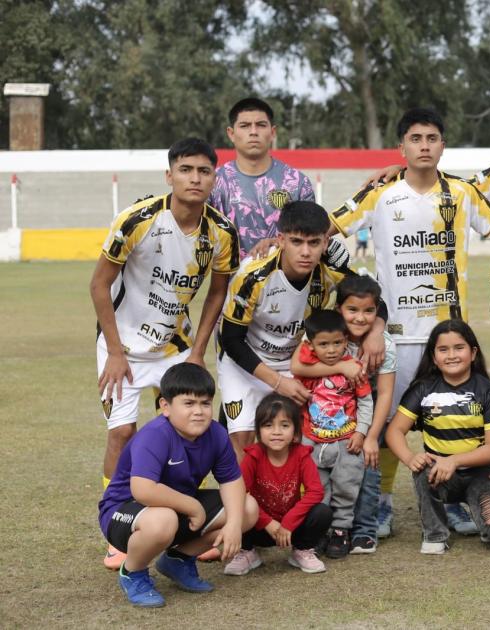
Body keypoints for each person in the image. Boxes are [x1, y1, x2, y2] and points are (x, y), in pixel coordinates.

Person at [90, 137, 239, 569]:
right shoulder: (137, 219)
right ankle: (119, 526)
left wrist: (195, 353)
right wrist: (116, 353)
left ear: (214, 177)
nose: (195, 178)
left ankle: (178, 519)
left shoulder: (220, 232)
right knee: (122, 434)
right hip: (120, 346)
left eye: (204, 171)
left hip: (174, 348)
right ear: (169, 175)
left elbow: (216, 295)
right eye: (186, 169)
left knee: (190, 427)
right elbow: (99, 285)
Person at [329, 107, 490, 437]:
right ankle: (381, 493)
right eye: (415, 139)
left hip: (449, 336)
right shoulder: (380, 191)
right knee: (383, 425)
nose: (424, 145)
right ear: (402, 148)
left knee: (456, 425)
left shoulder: (463, 192)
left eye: (432, 138)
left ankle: (454, 487)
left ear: (443, 145)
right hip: (392, 334)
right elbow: (326, 228)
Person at [97, 363, 256, 608]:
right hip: (124, 512)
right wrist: (192, 506)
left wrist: (235, 524)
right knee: (163, 520)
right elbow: (143, 490)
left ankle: (178, 560)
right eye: (189, 403)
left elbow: (232, 481)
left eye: (205, 403)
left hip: (174, 510)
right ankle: (133, 572)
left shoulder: (216, 434)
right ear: (165, 406)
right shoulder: (156, 435)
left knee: (247, 508)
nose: (199, 411)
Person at [217, 201, 360, 458]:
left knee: (297, 437)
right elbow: (231, 340)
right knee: (243, 441)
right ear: (281, 240)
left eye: (314, 243)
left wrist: (377, 333)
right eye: (296, 242)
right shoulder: (253, 276)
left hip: (294, 362)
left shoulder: (329, 271)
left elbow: (371, 298)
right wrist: (277, 382)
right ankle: (242, 497)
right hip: (245, 362)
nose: (305, 252)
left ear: (325, 243)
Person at [386, 319, 490, 554]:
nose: (451, 355)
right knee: (423, 469)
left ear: (472, 353)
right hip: (440, 474)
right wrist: (410, 458)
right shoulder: (423, 388)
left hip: (482, 475)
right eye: (443, 349)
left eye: (459, 348)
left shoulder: (488, 392)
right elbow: (394, 431)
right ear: (433, 356)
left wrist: (455, 460)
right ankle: (435, 534)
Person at [290, 309, 374, 559]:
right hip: (313, 441)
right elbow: (297, 403)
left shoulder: (354, 369)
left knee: (346, 485)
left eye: (337, 343)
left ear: (346, 340)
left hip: (347, 441)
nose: (331, 350)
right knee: (317, 488)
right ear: (311, 344)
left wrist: (360, 432)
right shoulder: (305, 370)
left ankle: (341, 530)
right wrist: (299, 438)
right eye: (323, 344)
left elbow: (366, 402)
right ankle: (320, 530)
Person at [223, 394, 331, 575]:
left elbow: (315, 492)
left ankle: (301, 550)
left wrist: (288, 523)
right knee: (233, 505)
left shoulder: (302, 455)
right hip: (260, 528)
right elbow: (239, 493)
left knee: (322, 512)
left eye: (284, 425)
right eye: (268, 425)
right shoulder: (253, 456)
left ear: (296, 432)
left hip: (292, 528)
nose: (276, 432)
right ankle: (247, 552)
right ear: (258, 431)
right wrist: (267, 522)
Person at [330, 275, 398, 553]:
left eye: (369, 311)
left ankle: (365, 529)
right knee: (332, 471)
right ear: (339, 311)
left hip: (367, 413)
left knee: (368, 467)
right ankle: (335, 528)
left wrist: (371, 436)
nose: (361, 318)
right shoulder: (327, 336)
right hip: (331, 415)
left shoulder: (385, 344)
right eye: (353, 310)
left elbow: (384, 393)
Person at [210, 97, 316, 257]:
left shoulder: (297, 182)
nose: (253, 132)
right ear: (231, 134)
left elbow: (311, 236)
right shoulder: (213, 182)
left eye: (261, 125)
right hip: (229, 281)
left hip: (285, 280)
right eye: (245, 126)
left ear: (272, 132)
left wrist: (275, 243)